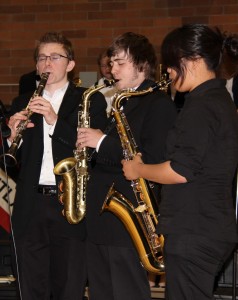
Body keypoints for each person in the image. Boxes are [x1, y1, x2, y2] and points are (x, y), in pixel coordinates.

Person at [122, 24, 238, 300]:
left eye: (172, 63)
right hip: (205, 228)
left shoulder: (202, 106)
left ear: (194, 61)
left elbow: (179, 170)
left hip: (195, 230)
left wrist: (138, 169)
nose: (168, 71)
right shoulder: (218, 100)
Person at [6, 32, 107, 300]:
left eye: (54, 57)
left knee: (69, 285)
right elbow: (14, 159)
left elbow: (90, 150)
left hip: (69, 203)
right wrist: (11, 137)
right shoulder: (22, 101)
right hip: (31, 203)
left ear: (70, 64)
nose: (46, 63)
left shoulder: (89, 99)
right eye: (41, 58)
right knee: (30, 283)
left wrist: (53, 119)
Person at [76, 32, 177, 300]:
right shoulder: (122, 102)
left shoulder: (159, 104)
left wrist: (101, 142)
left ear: (142, 65)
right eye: (111, 63)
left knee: (126, 292)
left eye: (120, 63)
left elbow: (151, 158)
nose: (112, 69)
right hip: (101, 219)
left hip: (129, 218)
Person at [95, 50, 117, 117]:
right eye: (103, 66)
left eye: (109, 65)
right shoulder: (93, 89)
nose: (107, 68)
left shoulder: (126, 86)